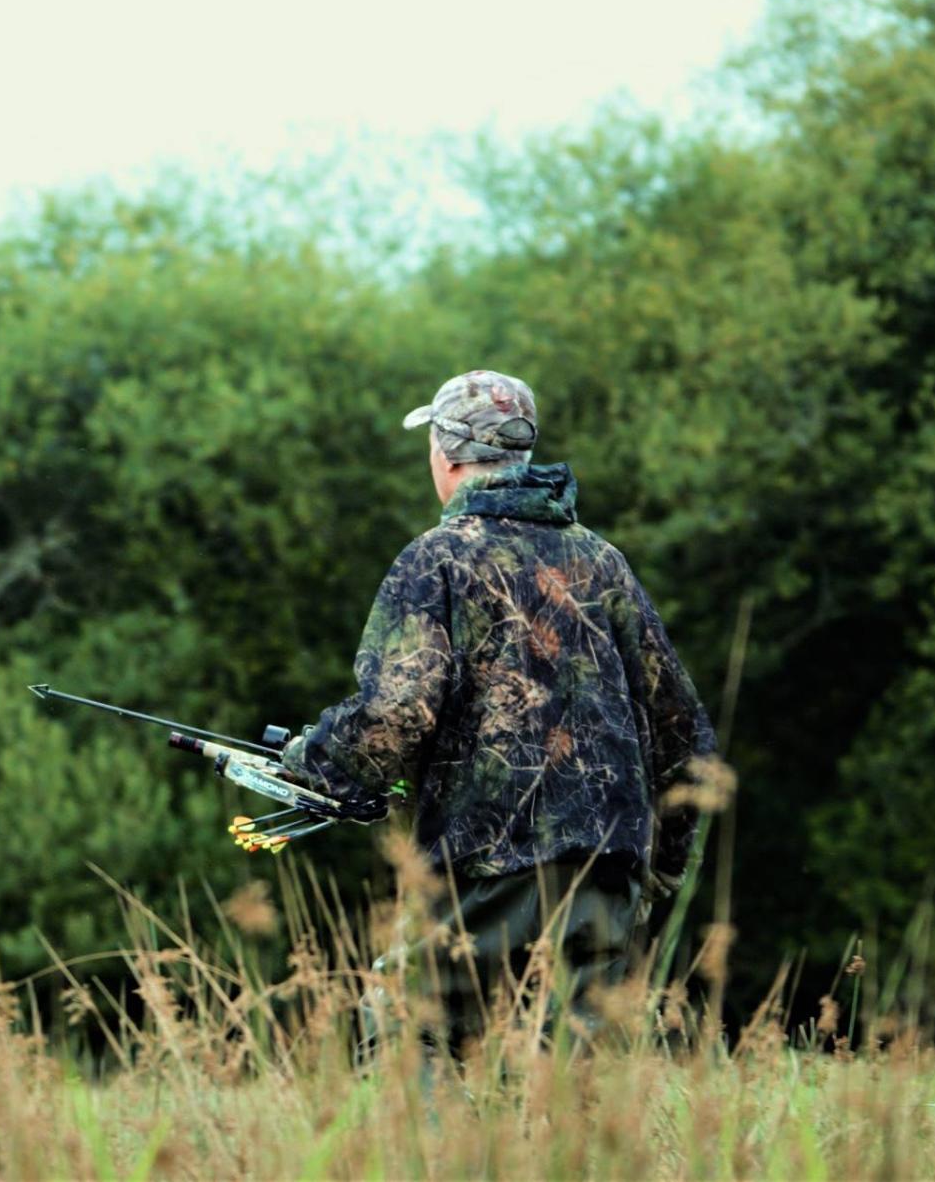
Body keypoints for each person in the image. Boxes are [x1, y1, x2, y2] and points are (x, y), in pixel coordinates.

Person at [279, 369, 715, 1049]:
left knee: (411, 1035)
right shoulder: (603, 563)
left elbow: (394, 716)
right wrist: (655, 869)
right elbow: (684, 738)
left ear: (446, 455)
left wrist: (312, 761)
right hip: (604, 875)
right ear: (523, 453)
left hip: (482, 871)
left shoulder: (437, 559)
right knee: (571, 1077)